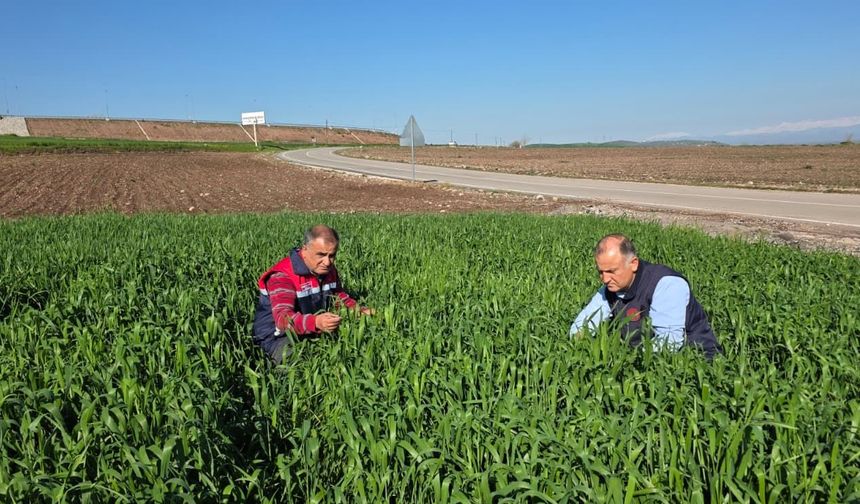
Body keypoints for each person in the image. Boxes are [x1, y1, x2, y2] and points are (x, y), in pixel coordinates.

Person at [569, 234, 722, 359]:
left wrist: (625, 361)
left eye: (611, 271)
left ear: (633, 263)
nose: (605, 279)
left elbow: (669, 343)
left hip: (695, 361)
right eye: (600, 272)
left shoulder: (666, 284)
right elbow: (581, 326)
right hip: (645, 362)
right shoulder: (611, 288)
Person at [253, 224, 371, 363]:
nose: (327, 262)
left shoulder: (327, 270)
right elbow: (283, 320)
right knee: (297, 366)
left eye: (332, 255)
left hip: (311, 328)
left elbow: (339, 297)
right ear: (304, 250)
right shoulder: (282, 276)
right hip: (276, 335)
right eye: (321, 255)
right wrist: (316, 322)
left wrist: (360, 311)